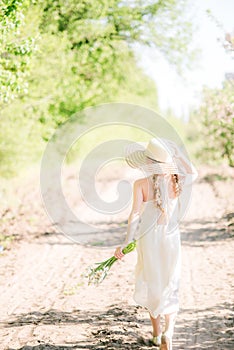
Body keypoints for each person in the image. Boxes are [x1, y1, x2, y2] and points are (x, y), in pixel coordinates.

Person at [114, 138, 197, 350]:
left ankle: (156, 333)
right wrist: (178, 155)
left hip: (148, 238)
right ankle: (169, 331)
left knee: (153, 281)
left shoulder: (141, 184)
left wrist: (126, 242)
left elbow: (134, 214)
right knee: (171, 281)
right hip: (170, 237)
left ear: (147, 162)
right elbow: (194, 173)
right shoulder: (176, 179)